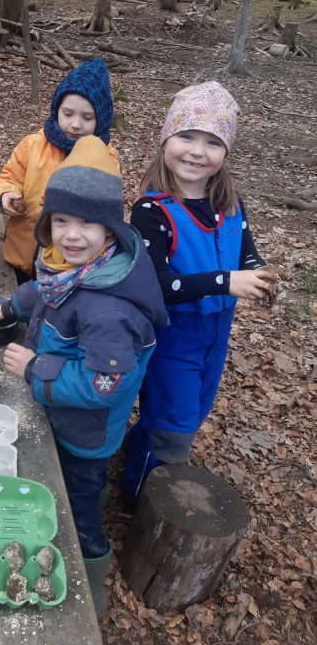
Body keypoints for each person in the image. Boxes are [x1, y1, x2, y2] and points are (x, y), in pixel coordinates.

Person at [0, 136, 167, 617]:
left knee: (80, 501)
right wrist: (8, 307)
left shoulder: (108, 310)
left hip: (84, 430)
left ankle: (91, 581)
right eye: (61, 220)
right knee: (65, 482)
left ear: (110, 230)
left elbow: (105, 384)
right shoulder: (71, 267)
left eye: (87, 222)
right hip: (60, 411)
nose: (71, 234)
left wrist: (35, 369)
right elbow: (43, 291)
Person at [122, 81, 276, 504]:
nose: (196, 150)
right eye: (186, 136)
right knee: (175, 427)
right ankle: (141, 503)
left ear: (225, 152)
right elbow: (157, 284)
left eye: (212, 141)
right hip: (174, 334)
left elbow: (245, 251)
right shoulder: (153, 210)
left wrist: (256, 272)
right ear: (166, 139)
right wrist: (228, 281)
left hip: (216, 333)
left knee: (193, 411)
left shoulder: (230, 201)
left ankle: (139, 446)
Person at [0, 58, 121, 284]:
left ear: (101, 119)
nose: (75, 124)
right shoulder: (33, 145)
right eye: (68, 114)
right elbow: (8, 177)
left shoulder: (105, 160)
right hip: (22, 254)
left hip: (68, 265)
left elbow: (105, 211)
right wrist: (5, 195)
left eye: (87, 117)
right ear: (56, 109)